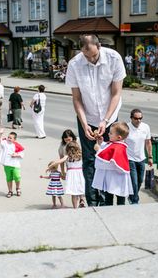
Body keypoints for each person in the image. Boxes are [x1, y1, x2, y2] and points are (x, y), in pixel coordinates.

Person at [65, 34, 126, 207]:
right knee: (90, 160)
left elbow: (116, 93)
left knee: (109, 159)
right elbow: (76, 99)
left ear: (99, 46)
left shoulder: (114, 58)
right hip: (87, 116)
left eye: (93, 55)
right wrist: (85, 125)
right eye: (86, 55)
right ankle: (92, 201)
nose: (90, 59)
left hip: (110, 116)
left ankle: (108, 200)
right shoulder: (75, 64)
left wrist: (105, 121)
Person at [92, 122, 133, 206]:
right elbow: (108, 150)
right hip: (112, 178)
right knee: (109, 197)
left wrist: (98, 150)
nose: (108, 134)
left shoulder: (118, 147)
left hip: (117, 179)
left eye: (111, 133)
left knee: (118, 199)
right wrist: (101, 143)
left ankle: (118, 214)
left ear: (119, 137)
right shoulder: (115, 144)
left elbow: (109, 161)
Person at [126, 109, 153, 204]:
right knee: (134, 182)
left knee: (140, 180)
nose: (139, 120)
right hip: (130, 159)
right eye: (136, 118)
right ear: (131, 118)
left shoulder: (145, 127)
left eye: (140, 118)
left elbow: (148, 142)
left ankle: (131, 196)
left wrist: (150, 157)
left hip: (141, 158)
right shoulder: (126, 128)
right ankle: (135, 201)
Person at [48, 141, 85, 209]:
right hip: (79, 173)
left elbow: (59, 161)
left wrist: (50, 166)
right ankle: (82, 200)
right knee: (80, 188)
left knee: (73, 193)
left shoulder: (67, 156)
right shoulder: (80, 155)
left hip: (71, 174)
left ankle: (75, 208)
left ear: (67, 149)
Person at [0, 128, 24, 198]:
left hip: (15, 165)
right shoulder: (5, 143)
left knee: (17, 177)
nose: (8, 139)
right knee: (9, 178)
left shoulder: (17, 145)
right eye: (8, 137)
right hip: (6, 164)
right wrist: (0, 134)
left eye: (10, 138)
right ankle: (10, 191)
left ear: (14, 139)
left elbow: (22, 154)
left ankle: (18, 188)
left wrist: (16, 155)